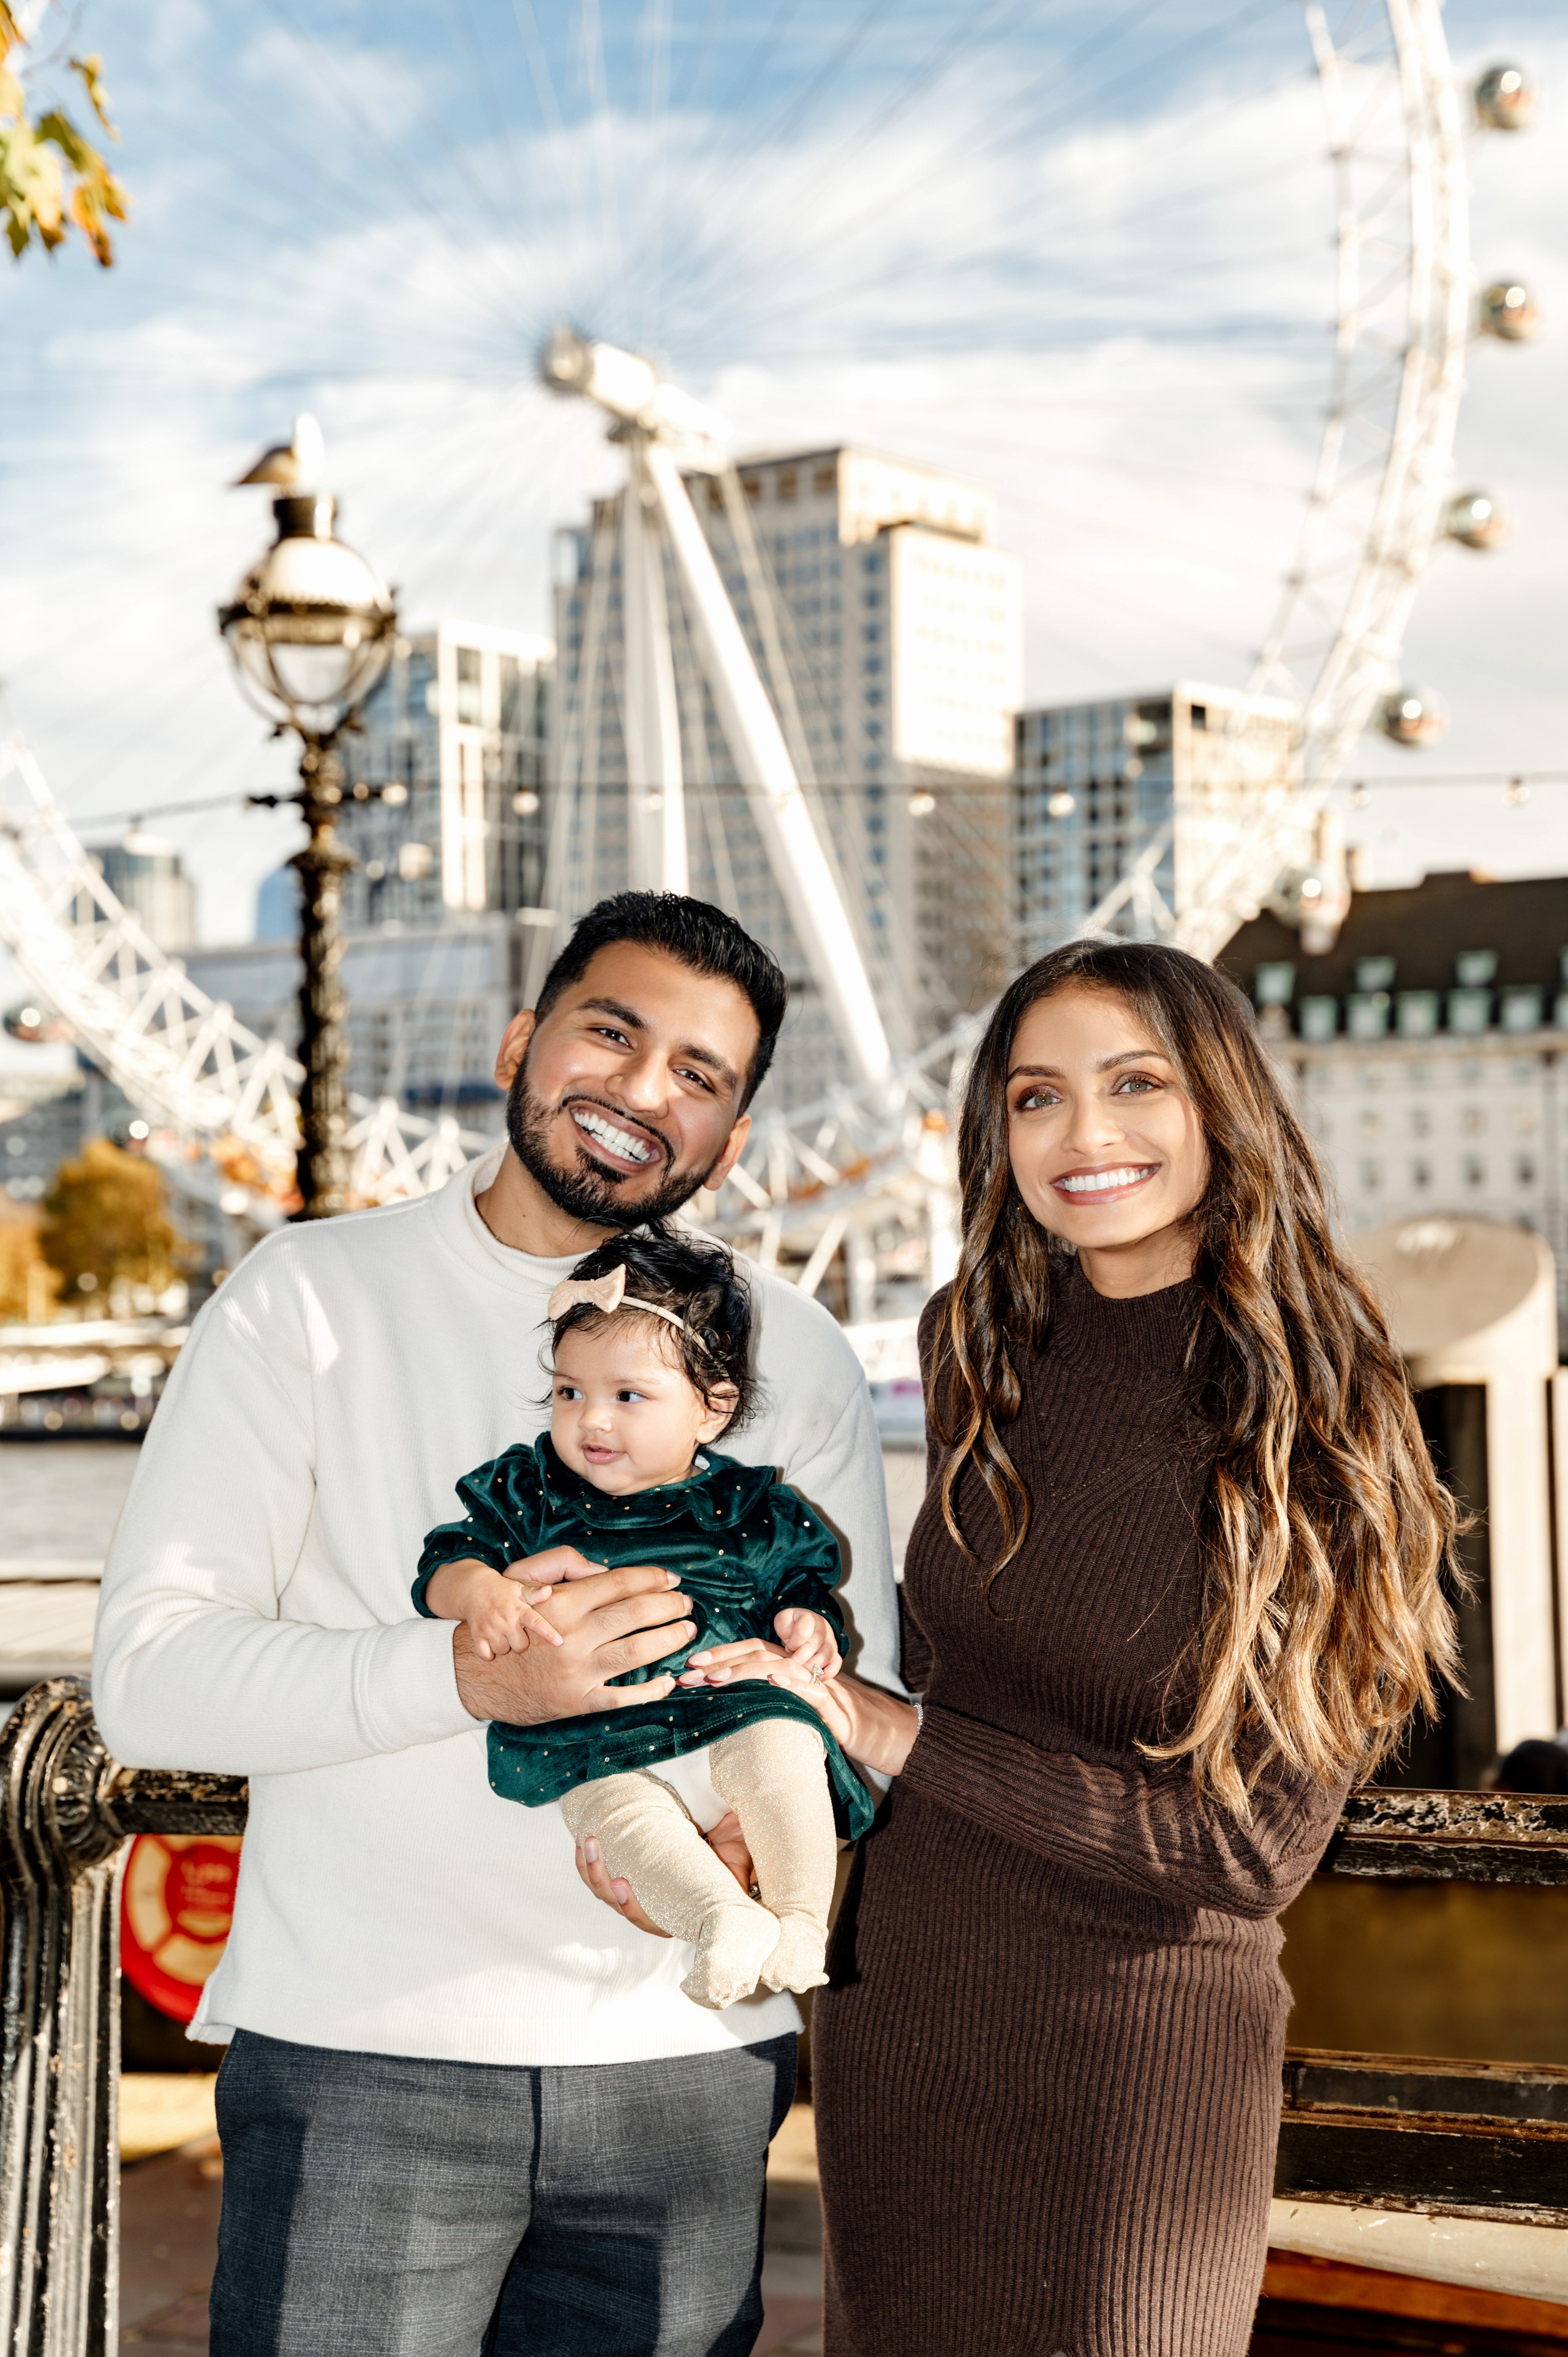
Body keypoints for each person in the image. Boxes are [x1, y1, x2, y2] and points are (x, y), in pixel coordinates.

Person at [92, 891, 900, 2357]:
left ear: (729, 1136)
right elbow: (150, 1679)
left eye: (701, 1077)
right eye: (612, 1030)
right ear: (520, 1041)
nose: (645, 1090)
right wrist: (469, 1674)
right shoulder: (306, 1301)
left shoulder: (802, 1353)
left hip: (687, 2059)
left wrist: (754, 1826)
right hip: (362, 2054)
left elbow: (854, 1689)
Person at [677, 938, 1463, 2357]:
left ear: (1219, 1105)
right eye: (1035, 1096)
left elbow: (1248, 1850)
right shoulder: (978, 1339)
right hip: (900, 2015)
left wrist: (890, 1727)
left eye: (1133, 1083)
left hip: (1135, 2070)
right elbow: (963, 1674)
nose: (1083, 1133)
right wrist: (803, 1759)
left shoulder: (1319, 1400)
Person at [415, 1227, 873, 2012]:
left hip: (729, 1705)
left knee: (784, 1744)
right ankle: (719, 1916)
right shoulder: (532, 1489)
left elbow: (800, 1578)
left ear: (712, 1409)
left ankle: (798, 1919)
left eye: (627, 1396)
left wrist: (806, 1618)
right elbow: (446, 1559)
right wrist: (476, 1594)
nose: (591, 1420)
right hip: (594, 1735)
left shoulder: (748, 1505)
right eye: (568, 1391)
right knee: (611, 1813)